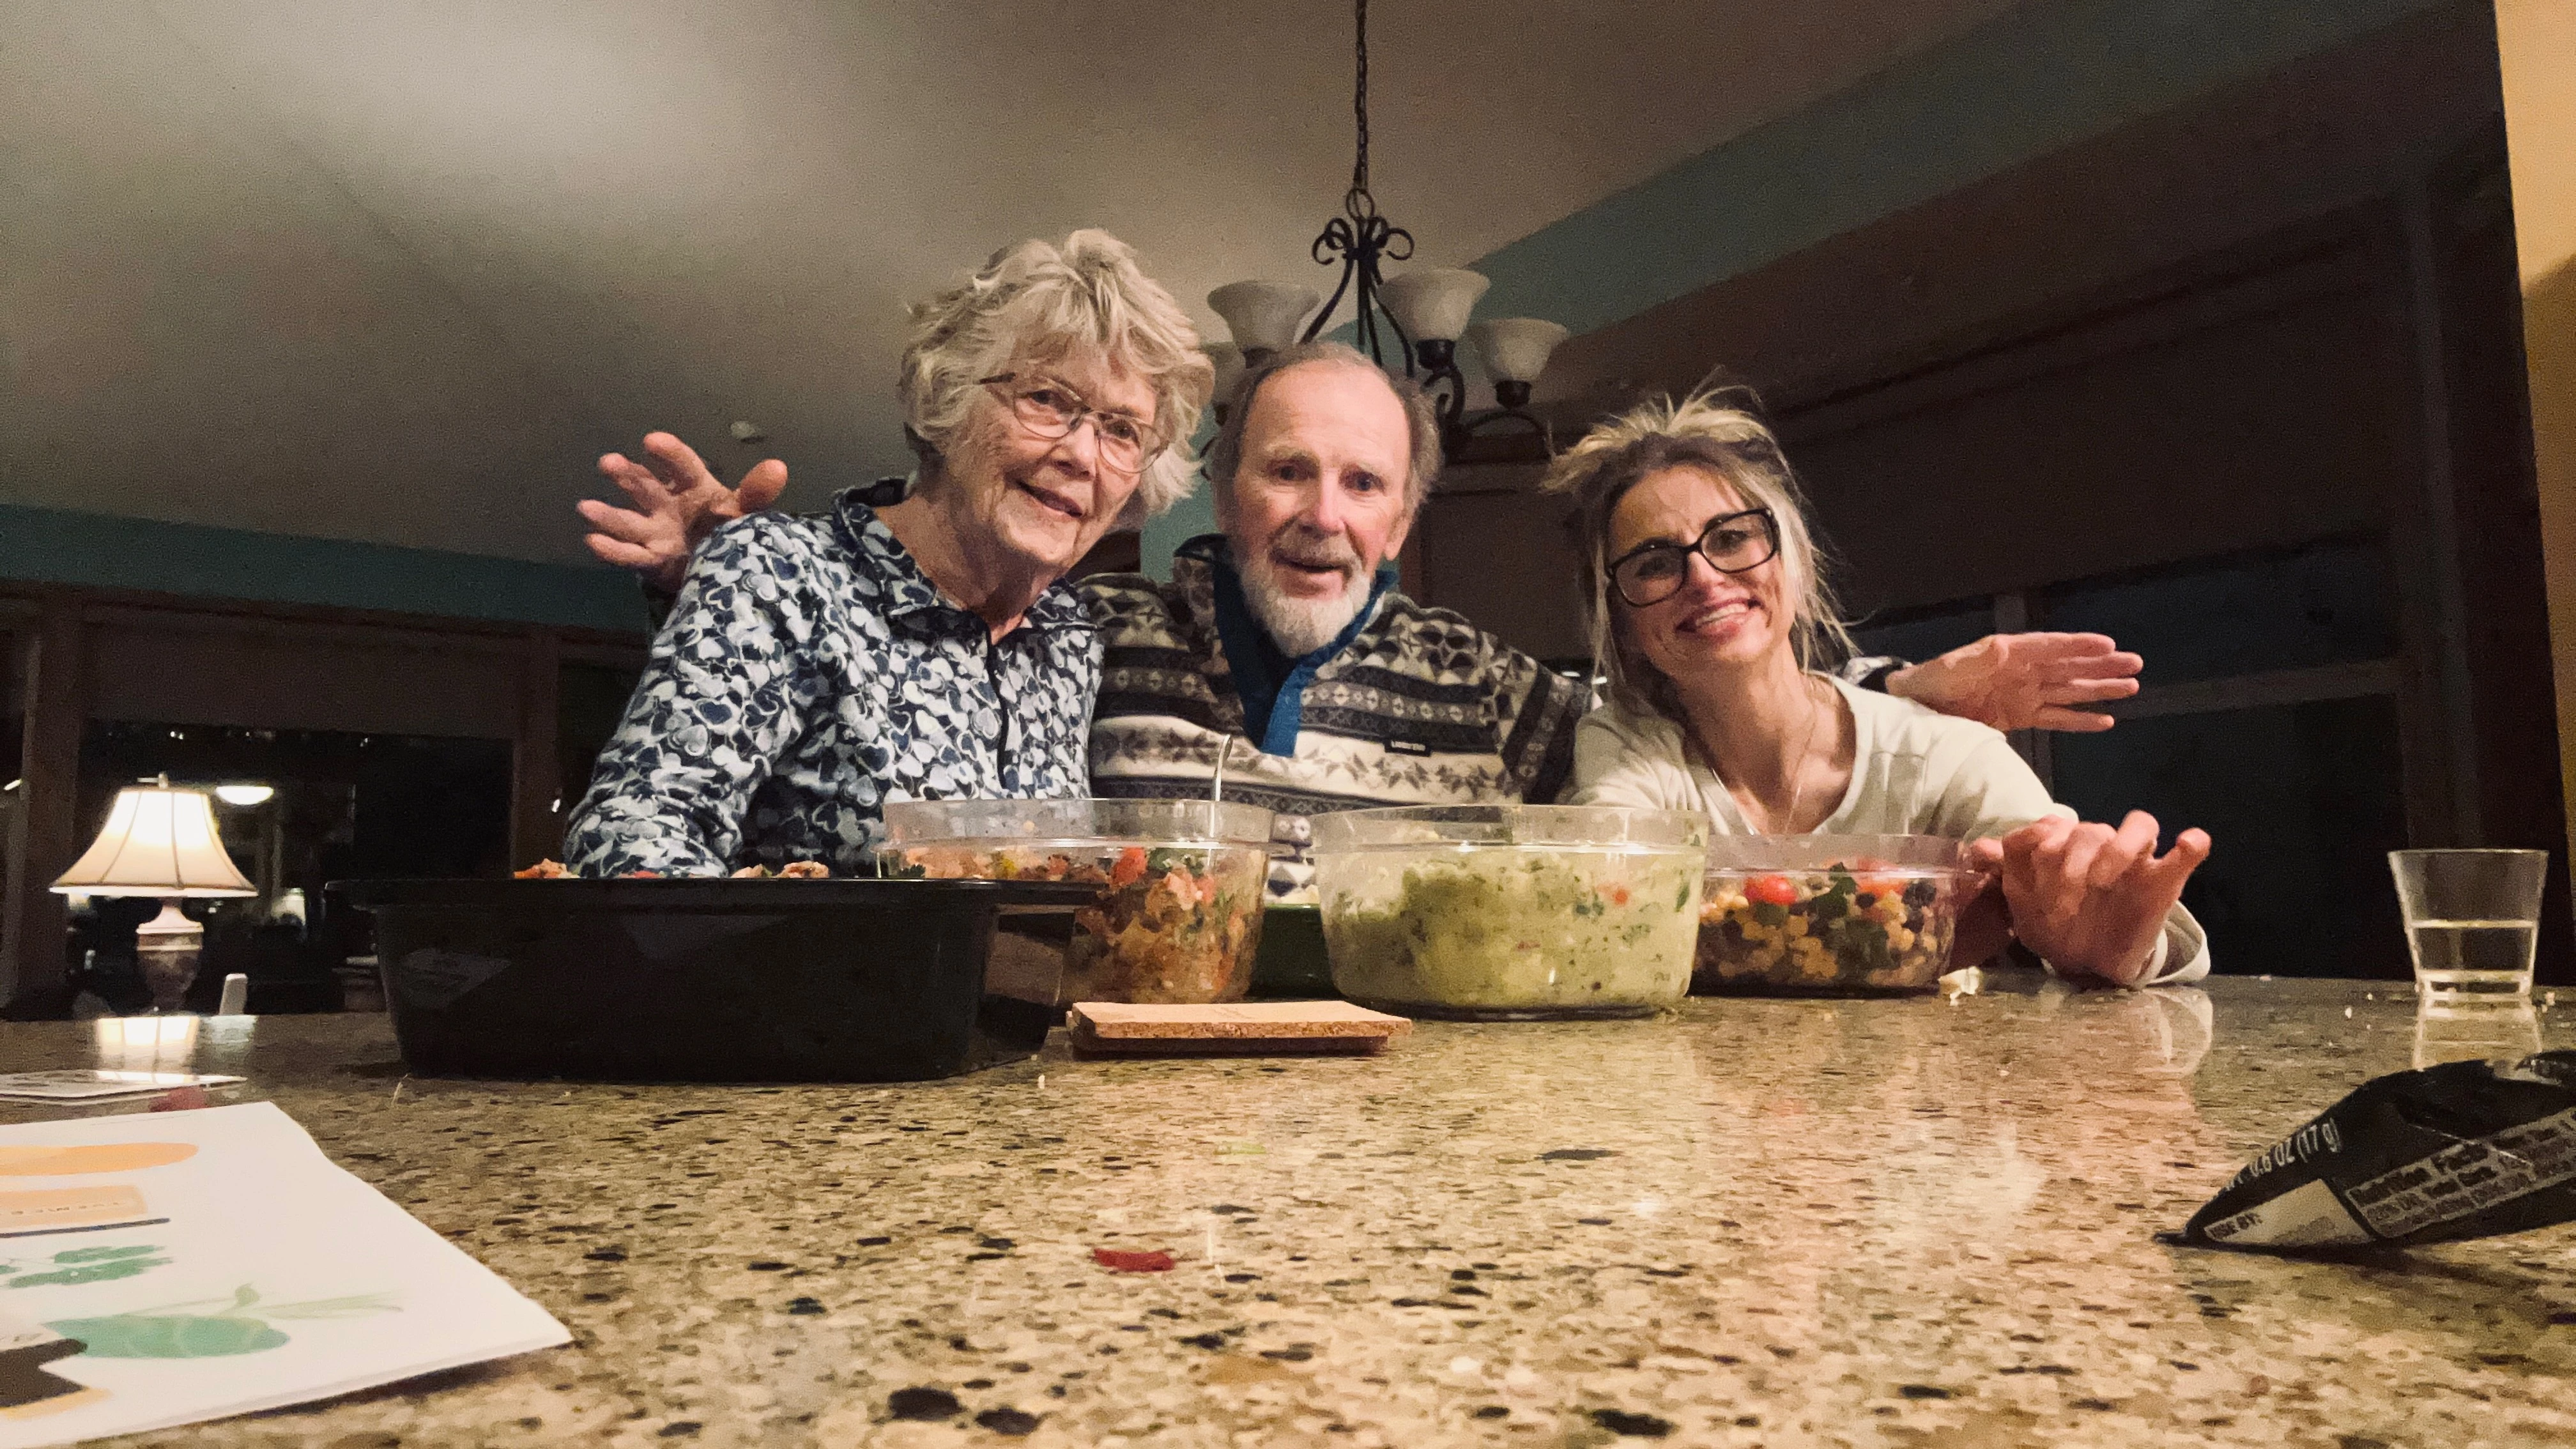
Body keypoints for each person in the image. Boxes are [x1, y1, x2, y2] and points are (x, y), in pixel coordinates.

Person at [584, 339, 2146, 898]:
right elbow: (964, 572)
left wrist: (1896, 681)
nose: (1320, 515)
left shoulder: (1491, 690)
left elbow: (1679, 669)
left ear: (1403, 521)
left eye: (1361, 484)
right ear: (1220, 491)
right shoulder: (1100, 634)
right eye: (1286, 471)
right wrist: (748, 564)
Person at [558, 231, 1212, 877]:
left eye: (1123, 430)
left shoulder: (1069, 639)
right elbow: (632, 833)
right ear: (948, 399)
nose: (1080, 454)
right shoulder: (785, 572)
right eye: (1046, 398)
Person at [1557, 391, 2211, 986]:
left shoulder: (1941, 752)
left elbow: (2082, 892)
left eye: (1731, 539)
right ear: (1622, 622)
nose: (1703, 577)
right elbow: (1606, 891)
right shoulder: (1626, 744)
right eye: (1654, 563)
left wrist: (2111, 942)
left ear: (1792, 559)